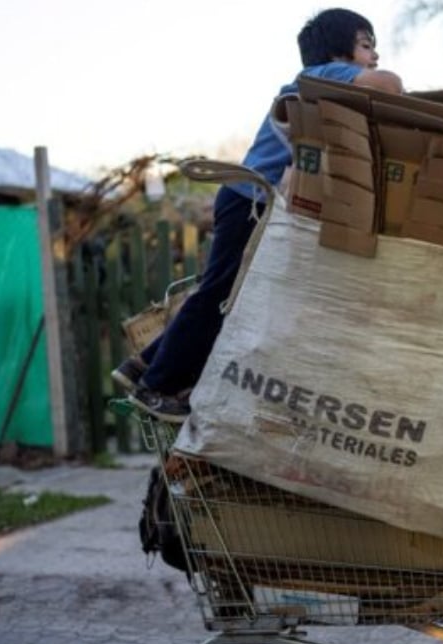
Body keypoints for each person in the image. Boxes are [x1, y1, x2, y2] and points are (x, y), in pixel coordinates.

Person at [111, 8, 403, 422]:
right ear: (339, 52)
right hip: (252, 201)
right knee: (223, 295)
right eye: (367, 46)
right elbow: (390, 86)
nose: (374, 57)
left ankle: (143, 364)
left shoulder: (324, 86)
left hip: (249, 199)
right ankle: (157, 387)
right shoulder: (318, 77)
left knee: (231, 293)